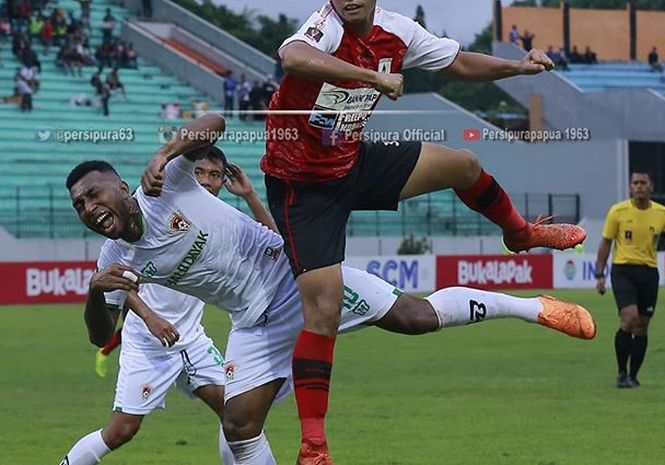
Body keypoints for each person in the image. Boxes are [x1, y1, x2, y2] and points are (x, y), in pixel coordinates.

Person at [67, 114, 595, 465]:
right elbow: (98, 337)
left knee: (415, 318)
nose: (90, 208)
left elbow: (213, 124)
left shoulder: (170, 183)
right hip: (254, 323)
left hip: (299, 278)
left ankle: (532, 308)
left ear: (118, 184)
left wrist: (164, 152)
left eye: (94, 193)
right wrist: (95, 291)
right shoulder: (115, 259)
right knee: (238, 422)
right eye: (80, 206)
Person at [260, 3, 587, 462]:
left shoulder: (397, 31)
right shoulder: (324, 27)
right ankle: (314, 445)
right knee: (325, 311)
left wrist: (517, 67)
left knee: (464, 165)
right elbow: (292, 56)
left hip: (352, 162)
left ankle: (519, 233)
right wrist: (373, 77)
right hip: (302, 187)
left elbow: (457, 61)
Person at [60, 149, 270, 465]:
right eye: (200, 172)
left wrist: (251, 195)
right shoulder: (158, 207)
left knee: (237, 417)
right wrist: (149, 317)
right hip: (150, 344)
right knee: (121, 430)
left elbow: (275, 242)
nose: (207, 181)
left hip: (192, 338)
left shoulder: (212, 217)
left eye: (215, 175)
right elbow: (124, 273)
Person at [595, 171, 665, 389]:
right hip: (623, 270)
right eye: (635, 183)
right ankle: (621, 373)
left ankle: (633, 376)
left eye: (643, 183)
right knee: (629, 318)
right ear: (630, 187)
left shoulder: (662, 213)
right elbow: (605, 243)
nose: (639, 186)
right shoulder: (618, 211)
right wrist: (600, 274)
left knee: (642, 325)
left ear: (651, 186)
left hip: (649, 273)